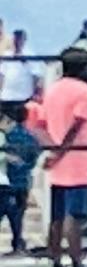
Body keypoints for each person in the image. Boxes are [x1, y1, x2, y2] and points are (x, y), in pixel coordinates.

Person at [28, 47, 87, 267]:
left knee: (57, 215)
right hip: (80, 159)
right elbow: (77, 124)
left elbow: (39, 122)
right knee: (75, 215)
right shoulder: (86, 91)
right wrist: (63, 149)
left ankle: (56, 263)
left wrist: (51, 149)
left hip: (57, 160)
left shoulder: (52, 90)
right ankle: (77, 263)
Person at [0, 101, 34, 254]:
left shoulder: (9, 137)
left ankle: (18, 243)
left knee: (12, 213)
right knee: (17, 216)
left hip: (9, 182)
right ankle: (18, 243)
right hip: (20, 182)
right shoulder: (28, 136)